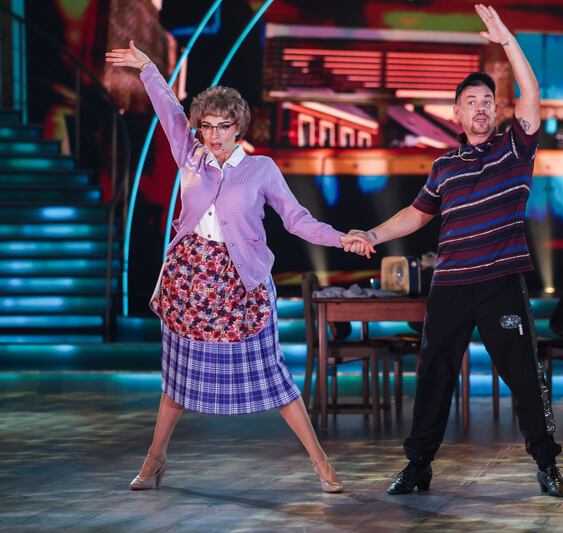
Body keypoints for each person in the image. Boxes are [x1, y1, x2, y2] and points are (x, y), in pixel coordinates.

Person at [106, 42, 375, 494]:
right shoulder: (189, 155)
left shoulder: (260, 169)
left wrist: (341, 237)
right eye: (206, 126)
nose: (213, 134)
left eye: (223, 126)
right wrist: (150, 68)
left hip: (239, 282)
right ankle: (155, 460)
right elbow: (169, 110)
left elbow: (297, 220)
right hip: (189, 279)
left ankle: (320, 461)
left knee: (275, 377)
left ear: (238, 128)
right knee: (177, 380)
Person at [344, 4, 563, 497]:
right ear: (458, 113)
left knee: (524, 377)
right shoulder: (444, 166)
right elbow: (416, 215)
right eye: (471, 101)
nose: (481, 107)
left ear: (497, 108)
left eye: (487, 99)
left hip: (500, 283)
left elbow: (532, 94)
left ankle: (547, 465)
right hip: (449, 284)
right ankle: (418, 466)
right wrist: (372, 235)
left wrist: (505, 39)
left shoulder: (516, 149)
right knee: (433, 377)